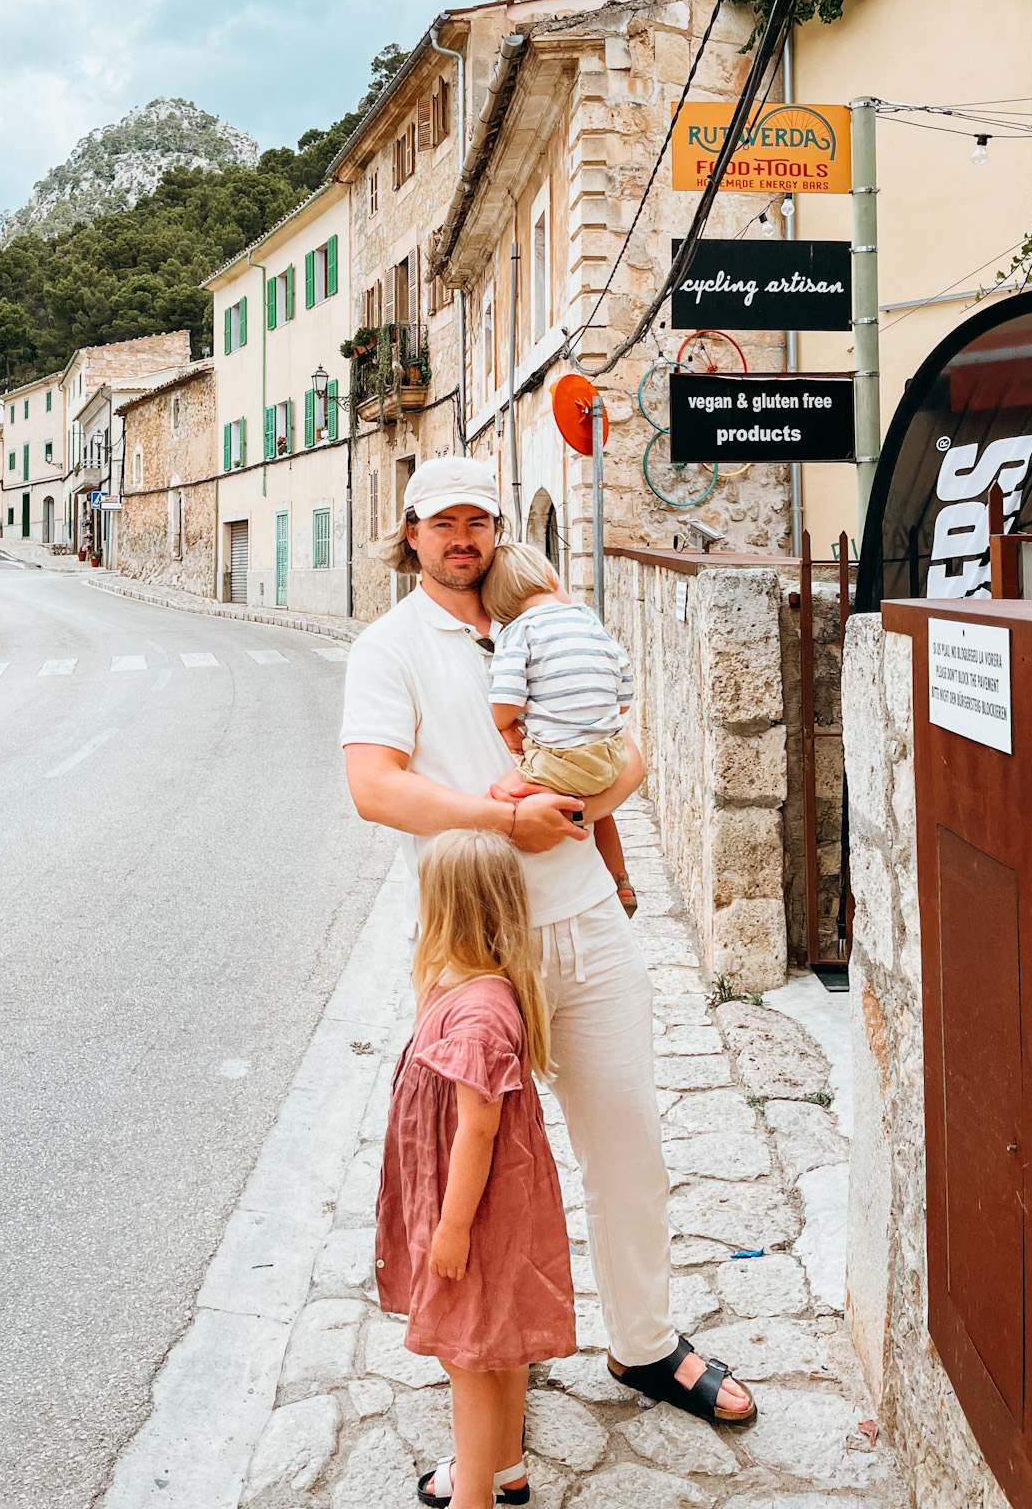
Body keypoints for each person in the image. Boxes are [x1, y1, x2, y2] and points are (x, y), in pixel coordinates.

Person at [341, 457, 754, 1455]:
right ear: (410, 532)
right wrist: (500, 819)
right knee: (475, 1177)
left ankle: (644, 1342)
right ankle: (492, 1404)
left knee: (628, 1144)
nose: (464, 537)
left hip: (584, 924)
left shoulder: (550, 620)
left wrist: (582, 804)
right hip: (474, 950)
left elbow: (627, 746)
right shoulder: (390, 646)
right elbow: (375, 786)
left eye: (478, 519)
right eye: (444, 522)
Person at [377, 829, 573, 1509]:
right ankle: (503, 1469)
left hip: (477, 1205)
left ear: (447, 909)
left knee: (468, 1355)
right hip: (485, 1198)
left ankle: (474, 1497)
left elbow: (480, 1127)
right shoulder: (462, 986)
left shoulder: (480, 1014)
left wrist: (452, 1226)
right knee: (501, 1341)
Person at [483, 539, 638, 918]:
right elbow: (625, 685)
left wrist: (506, 727)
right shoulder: (588, 620)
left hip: (558, 760)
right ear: (551, 576)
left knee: (498, 799)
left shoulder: (518, 632)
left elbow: (505, 699)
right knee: (601, 810)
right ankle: (619, 883)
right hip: (608, 755)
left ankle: (503, 899)